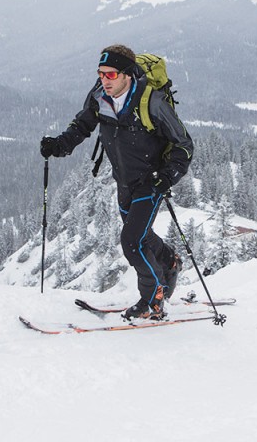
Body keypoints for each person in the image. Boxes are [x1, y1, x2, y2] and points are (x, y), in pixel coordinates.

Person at [40, 45, 194, 320]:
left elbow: (183, 144)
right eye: (100, 74)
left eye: (110, 75)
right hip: (123, 179)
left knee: (132, 241)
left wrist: (167, 176)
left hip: (151, 181)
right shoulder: (100, 96)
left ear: (127, 74)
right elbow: (82, 125)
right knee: (141, 235)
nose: (104, 80)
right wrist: (59, 145)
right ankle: (170, 262)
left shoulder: (151, 102)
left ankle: (153, 297)